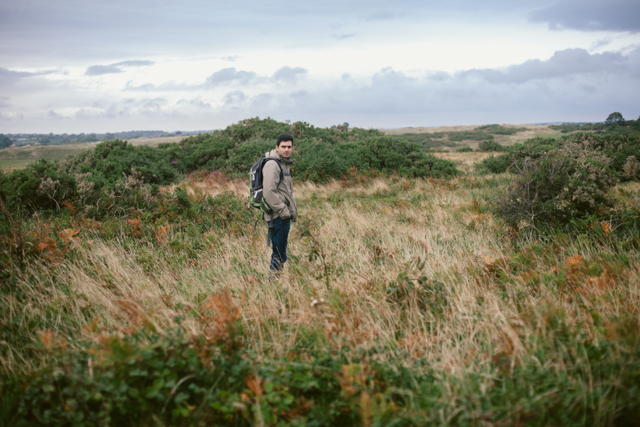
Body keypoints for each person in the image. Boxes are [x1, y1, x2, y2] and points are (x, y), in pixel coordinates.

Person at [263, 133, 297, 277]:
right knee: (279, 253)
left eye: (289, 146)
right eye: (283, 146)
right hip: (278, 216)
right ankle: (274, 285)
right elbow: (269, 192)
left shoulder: (284, 163)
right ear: (277, 147)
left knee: (281, 252)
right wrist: (284, 211)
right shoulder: (273, 164)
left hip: (282, 215)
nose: (286, 149)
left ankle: (276, 282)